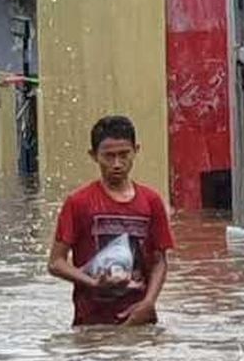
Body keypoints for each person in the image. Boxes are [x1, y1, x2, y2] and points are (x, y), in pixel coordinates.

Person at [48, 115, 175, 326]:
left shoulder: (151, 201)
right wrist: (93, 283)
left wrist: (149, 302)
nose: (117, 164)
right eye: (108, 156)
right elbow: (55, 263)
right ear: (94, 156)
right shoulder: (78, 202)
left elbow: (159, 260)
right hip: (91, 321)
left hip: (139, 318)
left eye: (124, 155)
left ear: (136, 150)